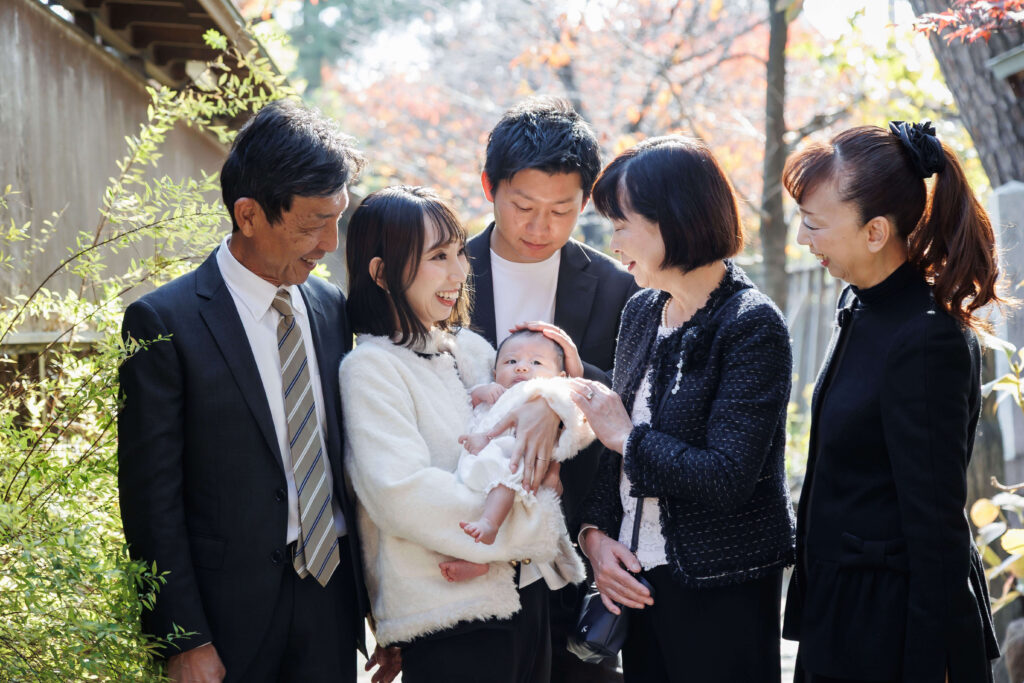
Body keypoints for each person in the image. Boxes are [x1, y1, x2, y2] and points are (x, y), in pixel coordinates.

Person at [117, 100, 398, 683]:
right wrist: (183, 638)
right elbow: (150, 499)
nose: (329, 242)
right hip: (225, 619)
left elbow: (350, 463)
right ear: (248, 215)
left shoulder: (329, 307)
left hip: (330, 600)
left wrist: (385, 607)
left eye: (338, 218)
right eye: (312, 224)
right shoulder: (163, 323)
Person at [781, 121, 1001, 682]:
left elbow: (936, 527)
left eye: (814, 224)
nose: (803, 239)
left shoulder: (925, 338)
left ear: (875, 231)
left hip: (891, 630)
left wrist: (932, 663)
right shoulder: (860, 306)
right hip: (841, 614)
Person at [572, 135, 796, 683]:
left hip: (721, 585)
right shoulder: (642, 310)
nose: (612, 241)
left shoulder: (750, 323)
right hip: (638, 582)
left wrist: (626, 439)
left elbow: (727, 476)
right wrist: (594, 537)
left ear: (672, 219)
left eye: (621, 224)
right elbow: (615, 447)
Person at [340, 185, 580, 683]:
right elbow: (401, 494)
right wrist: (532, 531)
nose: (458, 273)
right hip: (451, 612)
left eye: (459, 253)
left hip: (524, 597)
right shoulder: (371, 366)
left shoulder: (470, 348)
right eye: (438, 257)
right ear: (382, 273)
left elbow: (527, 430)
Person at [467, 96, 637, 681]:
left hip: (571, 559)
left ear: (585, 202)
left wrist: (559, 402)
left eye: (562, 210)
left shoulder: (616, 286)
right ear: (489, 186)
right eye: (523, 206)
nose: (540, 228)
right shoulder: (443, 273)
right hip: (464, 551)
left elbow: (632, 395)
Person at [440, 330, 592, 589]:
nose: (521, 368)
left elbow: (575, 421)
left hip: (514, 460)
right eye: (511, 361)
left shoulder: (541, 396)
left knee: (504, 478)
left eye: (536, 362)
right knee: (466, 508)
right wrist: (482, 391)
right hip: (475, 463)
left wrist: (486, 438)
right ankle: (476, 558)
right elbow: (468, 399)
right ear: (495, 371)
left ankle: (489, 527)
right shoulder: (497, 391)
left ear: (560, 377)